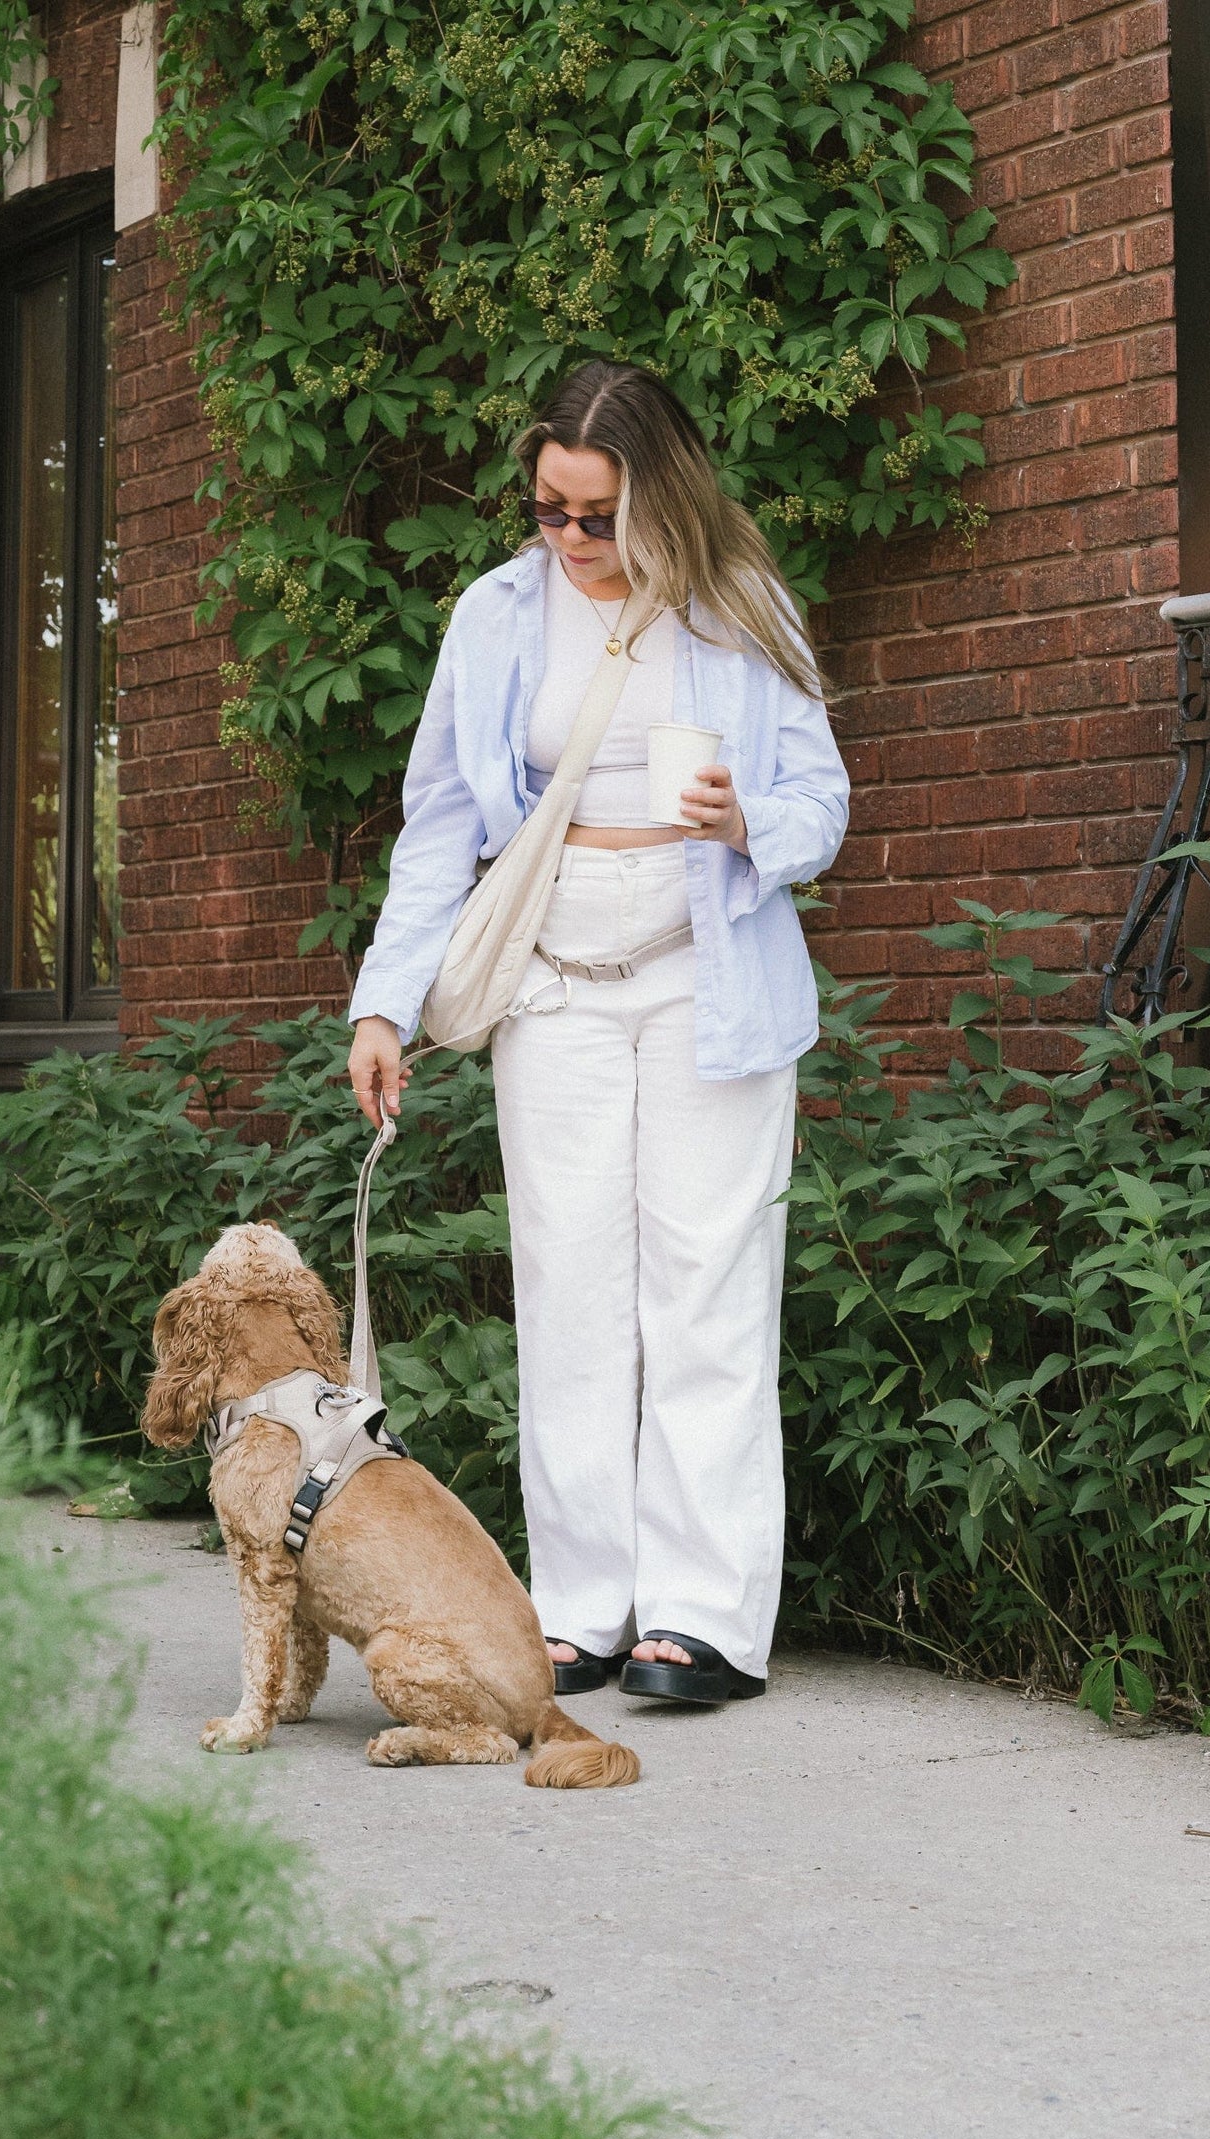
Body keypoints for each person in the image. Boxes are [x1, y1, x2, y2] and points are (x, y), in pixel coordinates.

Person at [346, 359, 849, 1706]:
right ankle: (578, 1608)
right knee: (567, 1294)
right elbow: (443, 820)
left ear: (661, 499)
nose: (569, 540)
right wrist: (386, 1000)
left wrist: (749, 824)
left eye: (597, 517)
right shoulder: (499, 614)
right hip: (554, 982)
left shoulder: (742, 610)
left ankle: (705, 1622)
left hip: (708, 974)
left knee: (706, 1292)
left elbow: (822, 801)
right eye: (549, 510)